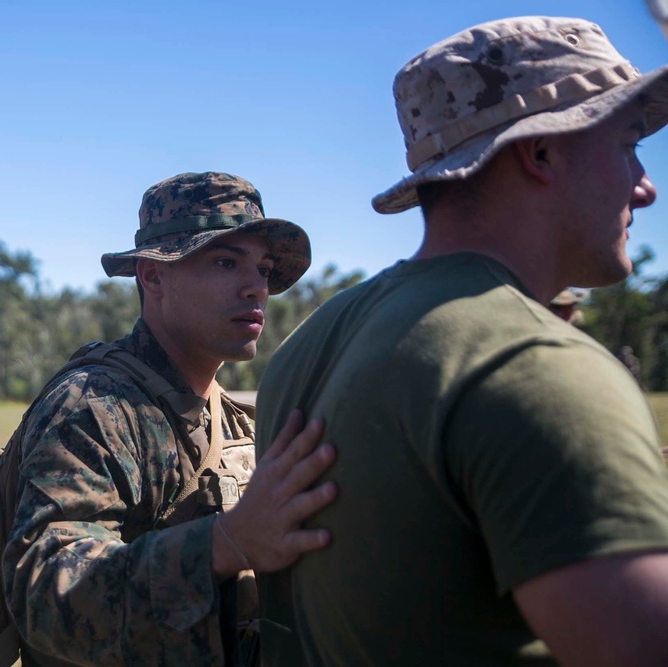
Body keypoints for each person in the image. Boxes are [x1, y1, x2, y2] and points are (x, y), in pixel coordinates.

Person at [255, 17, 668, 667]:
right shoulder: (534, 368)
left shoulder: (311, 345)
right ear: (541, 151)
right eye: (629, 144)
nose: (645, 184)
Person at [2, 172, 337, 666]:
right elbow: (45, 592)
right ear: (153, 275)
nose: (255, 289)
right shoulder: (95, 406)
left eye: (264, 270)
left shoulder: (237, 421)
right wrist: (225, 543)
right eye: (225, 262)